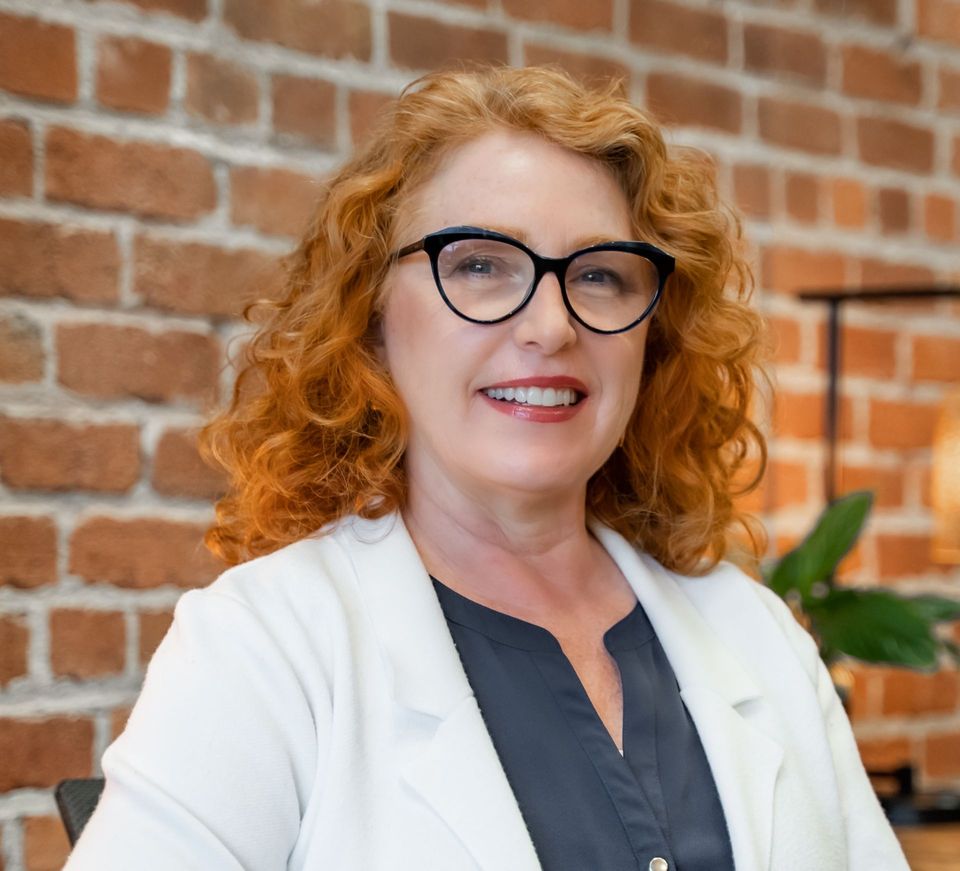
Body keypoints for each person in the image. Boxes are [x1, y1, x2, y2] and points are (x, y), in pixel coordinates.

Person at [65, 66, 909, 871]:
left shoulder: (756, 634)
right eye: (478, 263)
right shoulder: (262, 646)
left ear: (655, 338)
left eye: (602, 275)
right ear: (370, 317)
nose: (550, 324)